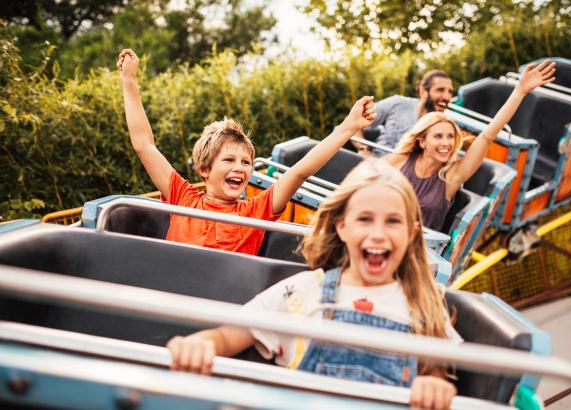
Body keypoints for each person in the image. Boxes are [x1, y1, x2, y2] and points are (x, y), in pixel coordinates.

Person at [167, 160, 461, 410]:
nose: (378, 234)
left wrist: (434, 385)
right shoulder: (304, 291)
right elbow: (229, 335)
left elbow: (434, 370)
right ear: (341, 227)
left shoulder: (422, 299)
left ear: (411, 233)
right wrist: (200, 345)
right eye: (365, 219)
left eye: (393, 222)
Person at [117, 49, 376, 255]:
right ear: (204, 169)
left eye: (246, 162)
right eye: (229, 160)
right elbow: (144, 145)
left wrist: (348, 127)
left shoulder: (254, 212)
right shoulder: (183, 198)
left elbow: (300, 171)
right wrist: (129, 82)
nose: (240, 168)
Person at [386, 60, 556, 232]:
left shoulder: (450, 177)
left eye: (450, 137)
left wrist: (519, 92)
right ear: (422, 141)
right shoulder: (401, 160)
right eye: (438, 136)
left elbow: (487, 135)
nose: (446, 143)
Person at [354, 70, 453, 157]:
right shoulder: (398, 103)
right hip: (376, 165)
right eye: (440, 90)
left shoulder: (444, 126)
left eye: (450, 92)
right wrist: (363, 149)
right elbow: (355, 122)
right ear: (423, 91)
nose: (446, 97)